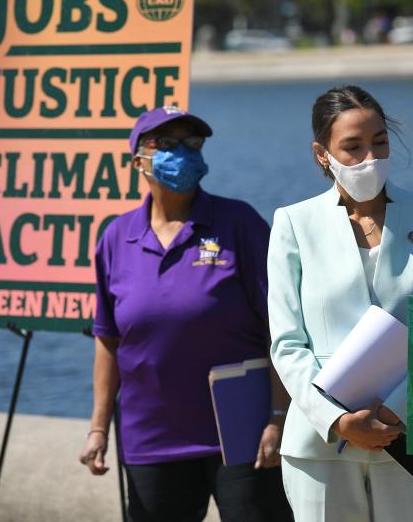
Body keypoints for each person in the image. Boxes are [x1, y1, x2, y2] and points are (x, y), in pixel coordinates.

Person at [79, 105, 292, 522]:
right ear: (138, 158)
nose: (183, 152)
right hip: (151, 439)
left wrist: (278, 416)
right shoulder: (116, 237)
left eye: (192, 143)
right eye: (167, 143)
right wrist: (98, 428)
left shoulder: (239, 223)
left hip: (242, 434)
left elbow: (281, 329)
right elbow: (108, 340)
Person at [267, 85, 413, 522]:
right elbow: (286, 343)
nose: (369, 158)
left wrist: (396, 408)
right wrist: (338, 420)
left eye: (379, 142)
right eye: (352, 147)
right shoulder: (293, 224)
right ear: (323, 154)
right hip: (320, 446)